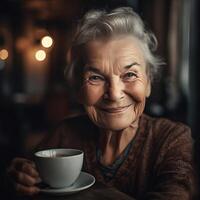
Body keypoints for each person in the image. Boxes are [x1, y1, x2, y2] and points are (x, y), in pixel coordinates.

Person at [7, 7, 196, 199]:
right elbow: (28, 177)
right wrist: (21, 177)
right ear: (79, 89)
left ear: (148, 84)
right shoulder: (64, 135)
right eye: (96, 77)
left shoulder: (172, 139)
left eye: (130, 74)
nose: (114, 94)